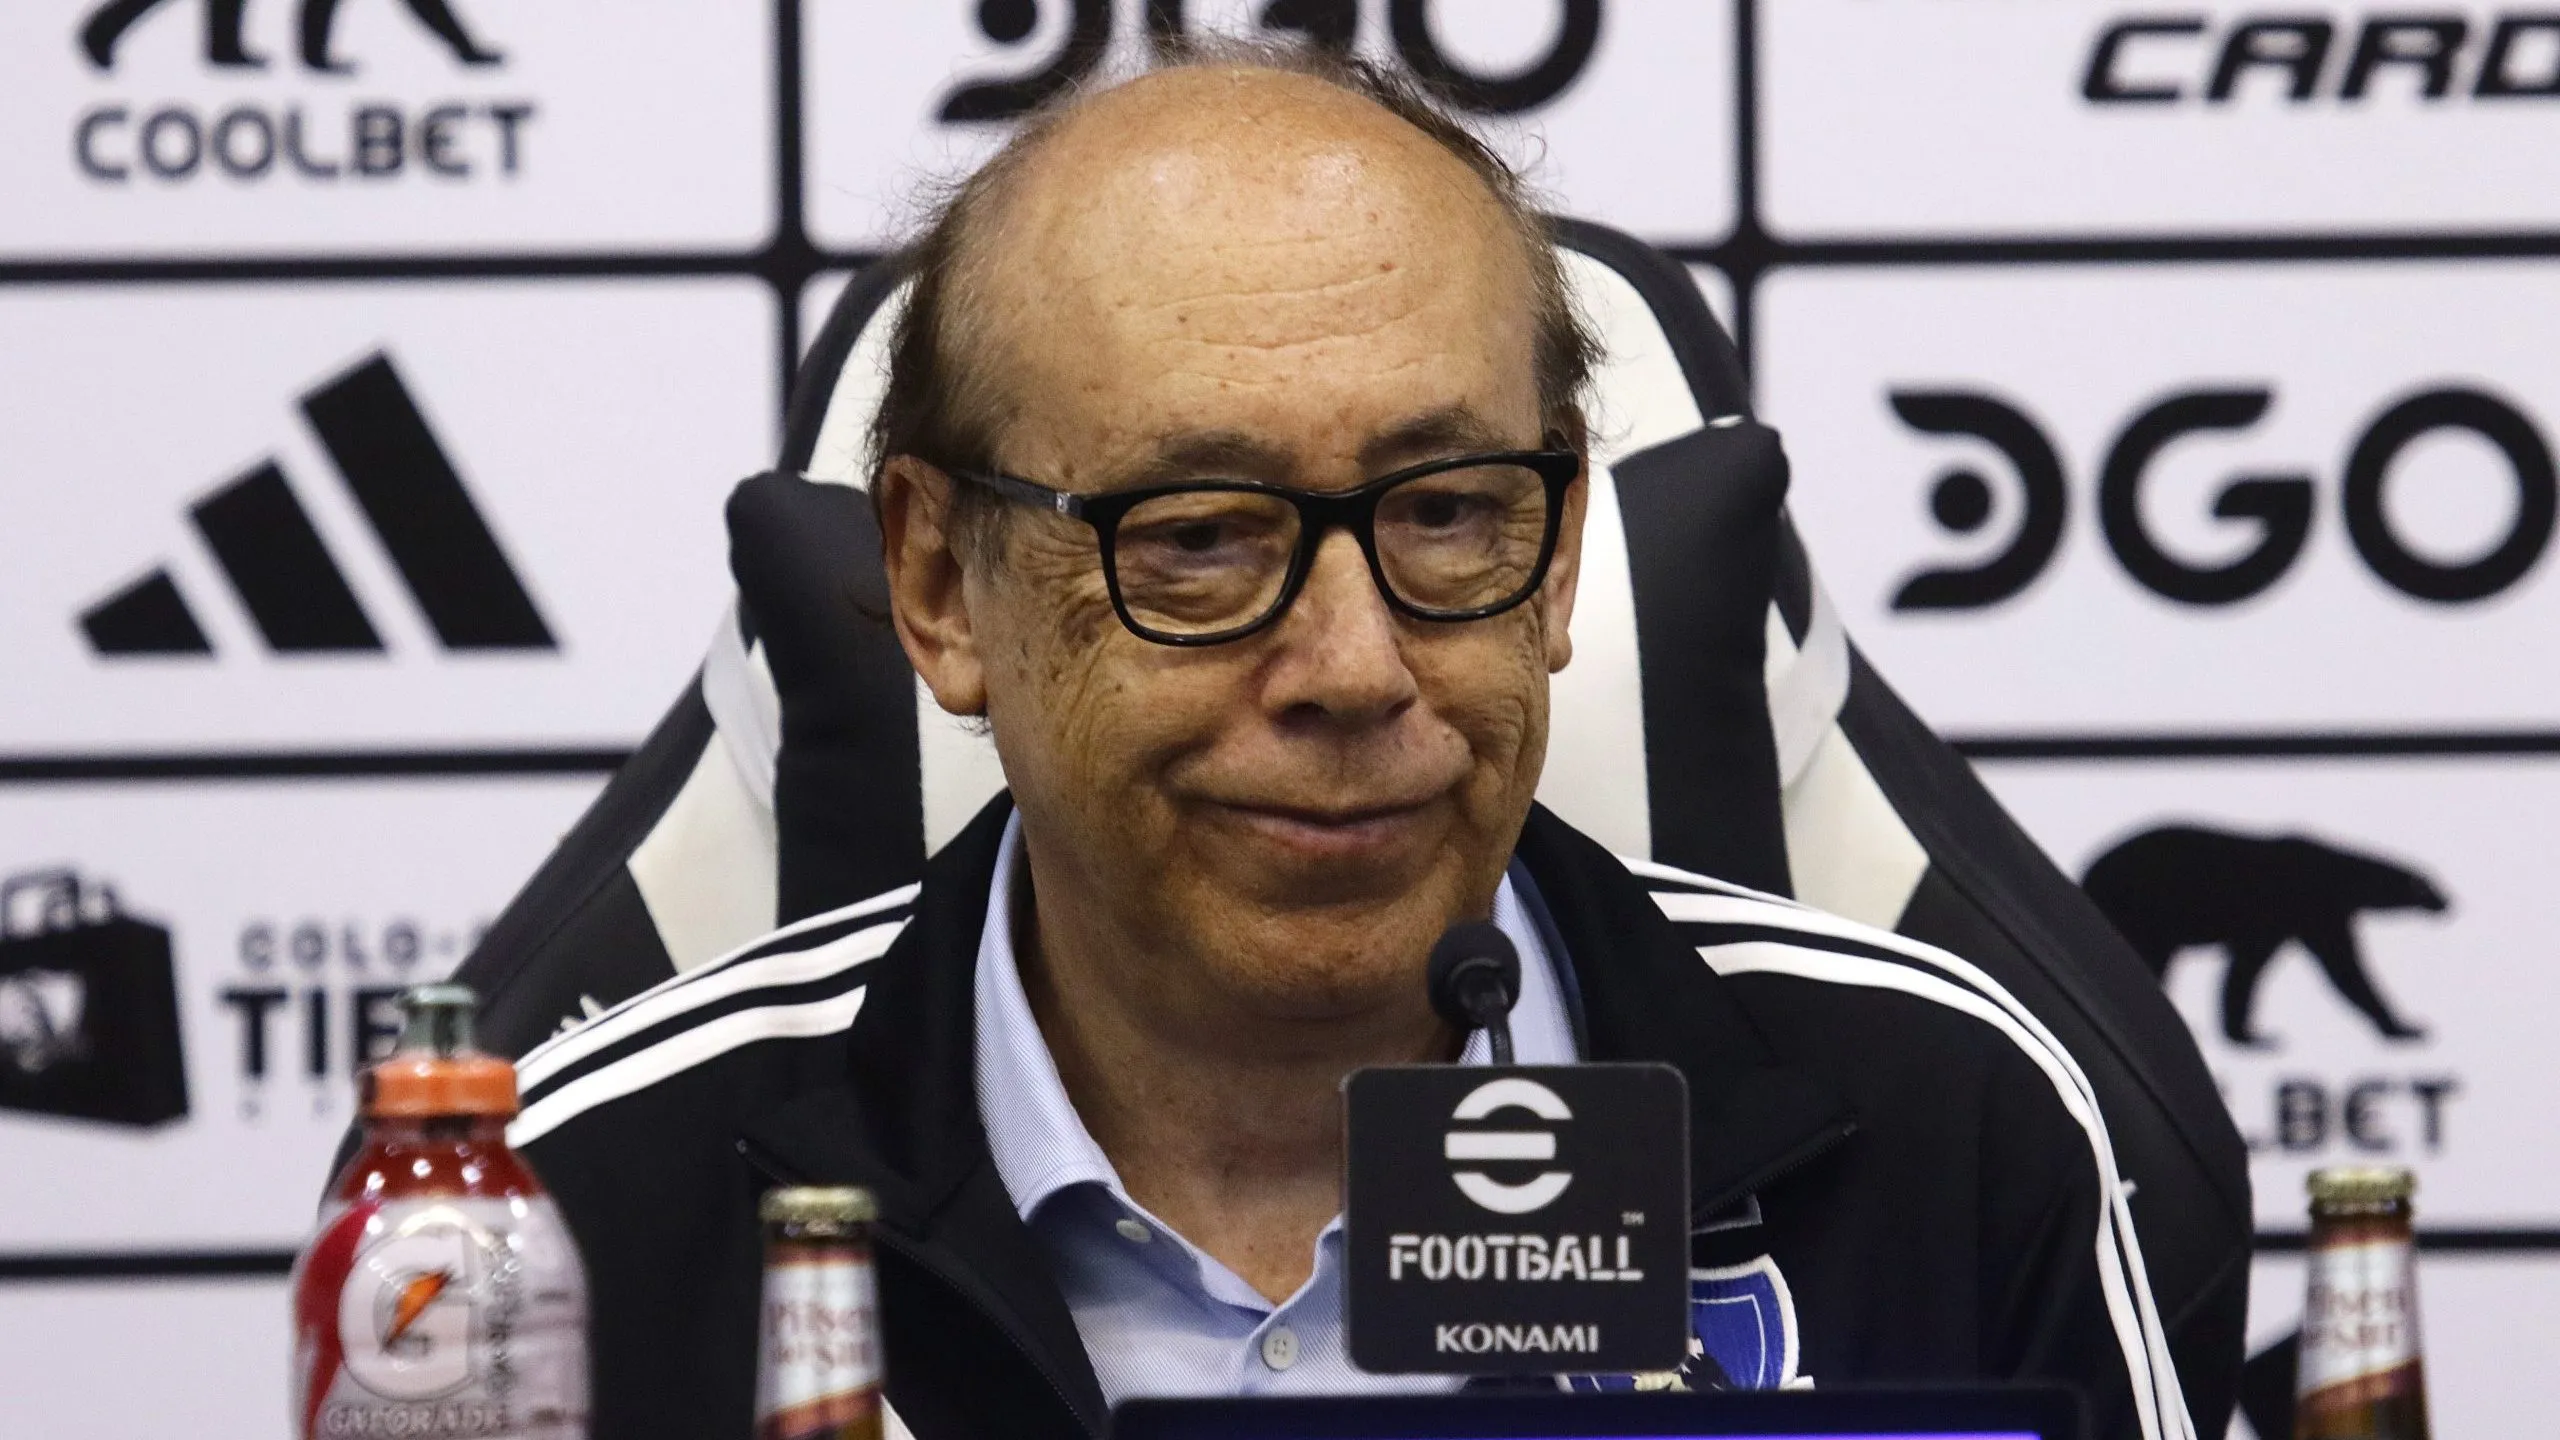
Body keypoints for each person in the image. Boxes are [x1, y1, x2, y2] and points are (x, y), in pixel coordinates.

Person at [502, 44, 2202, 1440]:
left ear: (1560, 568)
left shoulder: (1944, 1135)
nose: (1353, 667)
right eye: (1197, 536)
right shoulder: (578, 1222)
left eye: (1453, 513)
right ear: (942, 587)